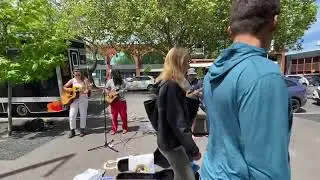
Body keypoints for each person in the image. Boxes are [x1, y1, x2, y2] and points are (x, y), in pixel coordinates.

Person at [200, 0, 292, 179]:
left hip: (210, 172)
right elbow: (268, 170)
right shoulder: (264, 76)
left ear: (230, 30)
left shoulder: (212, 72)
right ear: (274, 22)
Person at [155, 47, 201, 180]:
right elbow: (178, 123)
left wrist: (191, 98)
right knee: (187, 177)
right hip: (172, 145)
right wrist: (193, 149)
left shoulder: (166, 83)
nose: (188, 65)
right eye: (187, 61)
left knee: (180, 175)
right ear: (179, 62)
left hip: (168, 142)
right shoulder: (172, 86)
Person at [64, 68, 91, 138]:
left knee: (83, 115)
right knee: (72, 115)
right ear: (73, 74)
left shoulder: (85, 80)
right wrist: (71, 90)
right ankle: (72, 131)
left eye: (78, 74)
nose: (77, 75)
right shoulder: (72, 80)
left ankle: (82, 130)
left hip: (83, 99)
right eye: (76, 74)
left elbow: (88, 89)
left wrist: (84, 91)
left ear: (80, 73)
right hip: (74, 99)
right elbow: (64, 87)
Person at [105, 69, 128, 135]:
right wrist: (109, 93)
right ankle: (114, 129)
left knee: (123, 115)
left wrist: (120, 91)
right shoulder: (110, 81)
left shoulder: (122, 81)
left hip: (121, 100)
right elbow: (106, 88)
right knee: (114, 116)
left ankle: (125, 128)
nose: (117, 75)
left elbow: (126, 88)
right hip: (113, 101)